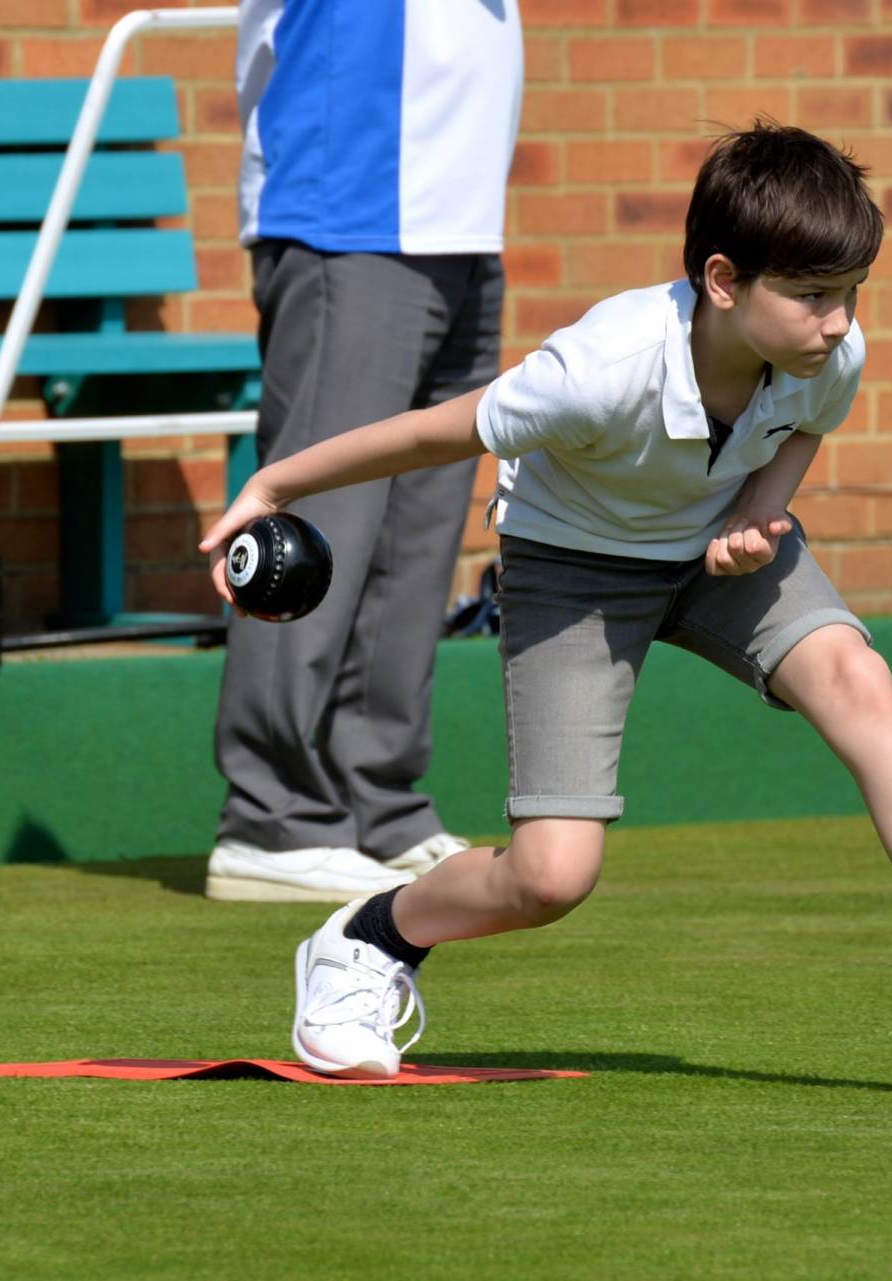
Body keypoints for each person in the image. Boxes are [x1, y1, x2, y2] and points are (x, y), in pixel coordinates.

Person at [199, 124, 892, 1100]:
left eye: (849, 292)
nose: (836, 321)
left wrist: (760, 508)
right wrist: (272, 487)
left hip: (720, 554)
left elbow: (802, 426)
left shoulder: (832, 350)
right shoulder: (595, 370)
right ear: (723, 280)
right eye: (813, 296)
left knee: (860, 680)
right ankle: (366, 941)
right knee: (551, 878)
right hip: (574, 571)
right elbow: (432, 433)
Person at [207, 1, 523, 902]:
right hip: (347, 205)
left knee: (416, 542)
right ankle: (269, 816)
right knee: (312, 525)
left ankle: (375, 800)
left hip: (458, 215)